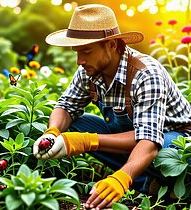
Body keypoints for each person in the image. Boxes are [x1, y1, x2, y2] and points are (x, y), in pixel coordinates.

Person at [33, 4, 191, 209]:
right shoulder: (88, 70)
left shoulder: (146, 74)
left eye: (87, 51)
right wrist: (52, 132)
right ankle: (147, 182)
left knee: (162, 153)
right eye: (77, 52)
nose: (80, 60)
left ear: (112, 45)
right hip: (131, 139)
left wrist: (118, 175)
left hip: (175, 142)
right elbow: (66, 106)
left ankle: (143, 181)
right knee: (76, 125)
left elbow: (149, 141)